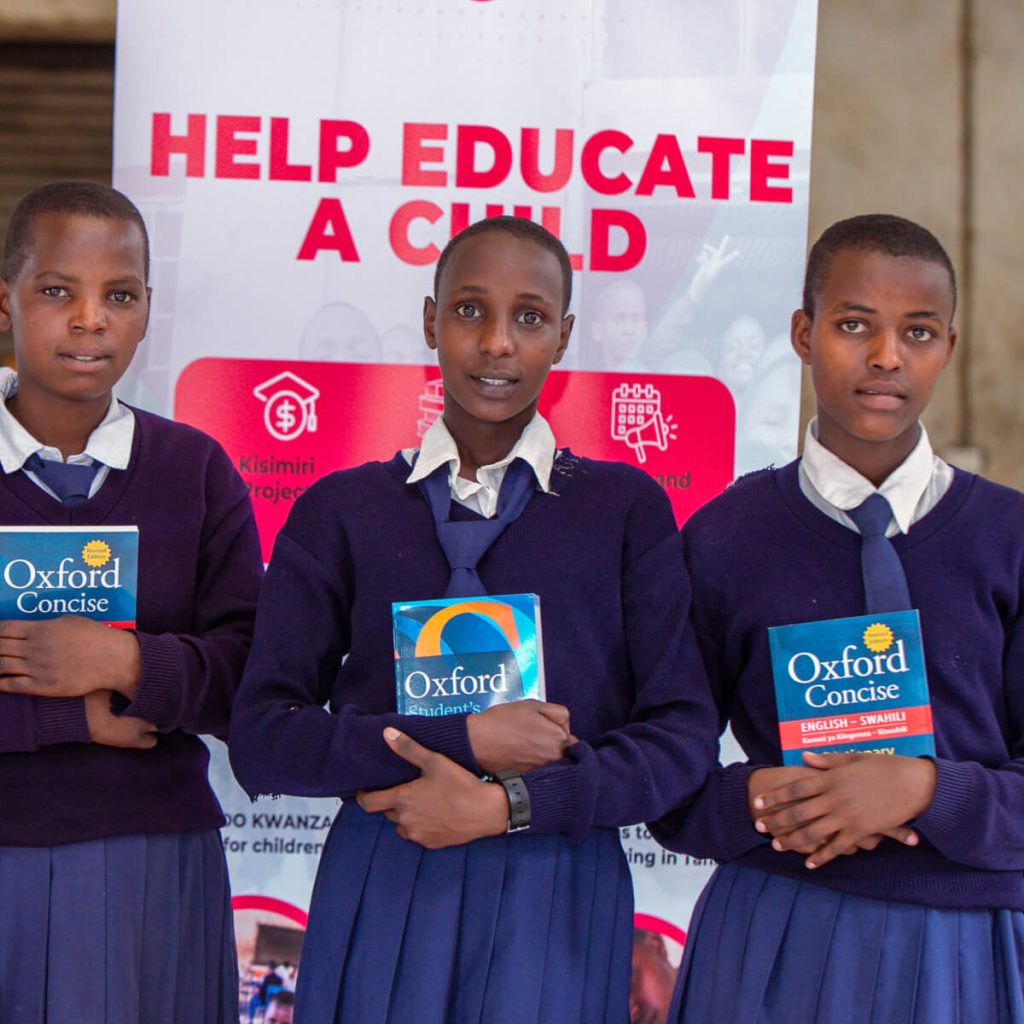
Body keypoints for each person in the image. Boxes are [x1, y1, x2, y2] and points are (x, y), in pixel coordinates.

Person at [229, 215, 716, 1023]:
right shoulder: (341, 512)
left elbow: (680, 741)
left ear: (562, 337)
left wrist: (513, 804)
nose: (496, 342)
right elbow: (263, 737)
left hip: (555, 885)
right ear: (430, 320)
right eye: (469, 311)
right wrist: (466, 740)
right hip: (386, 871)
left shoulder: (625, 511)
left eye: (528, 317)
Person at [653, 213, 1024, 1022]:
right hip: (775, 930)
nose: (886, 356)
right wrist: (768, 802)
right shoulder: (723, 535)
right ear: (803, 332)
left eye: (917, 331)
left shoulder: (1012, 537)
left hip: (967, 939)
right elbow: (665, 770)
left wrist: (926, 790)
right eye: (855, 325)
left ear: (950, 349)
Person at [0, 181, 262, 1022]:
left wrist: (127, 661)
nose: (89, 319)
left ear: (148, 308)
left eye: (118, 295)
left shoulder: (195, 468)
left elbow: (250, 675)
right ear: (4, 300)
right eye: (56, 292)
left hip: (155, 858)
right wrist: (67, 719)